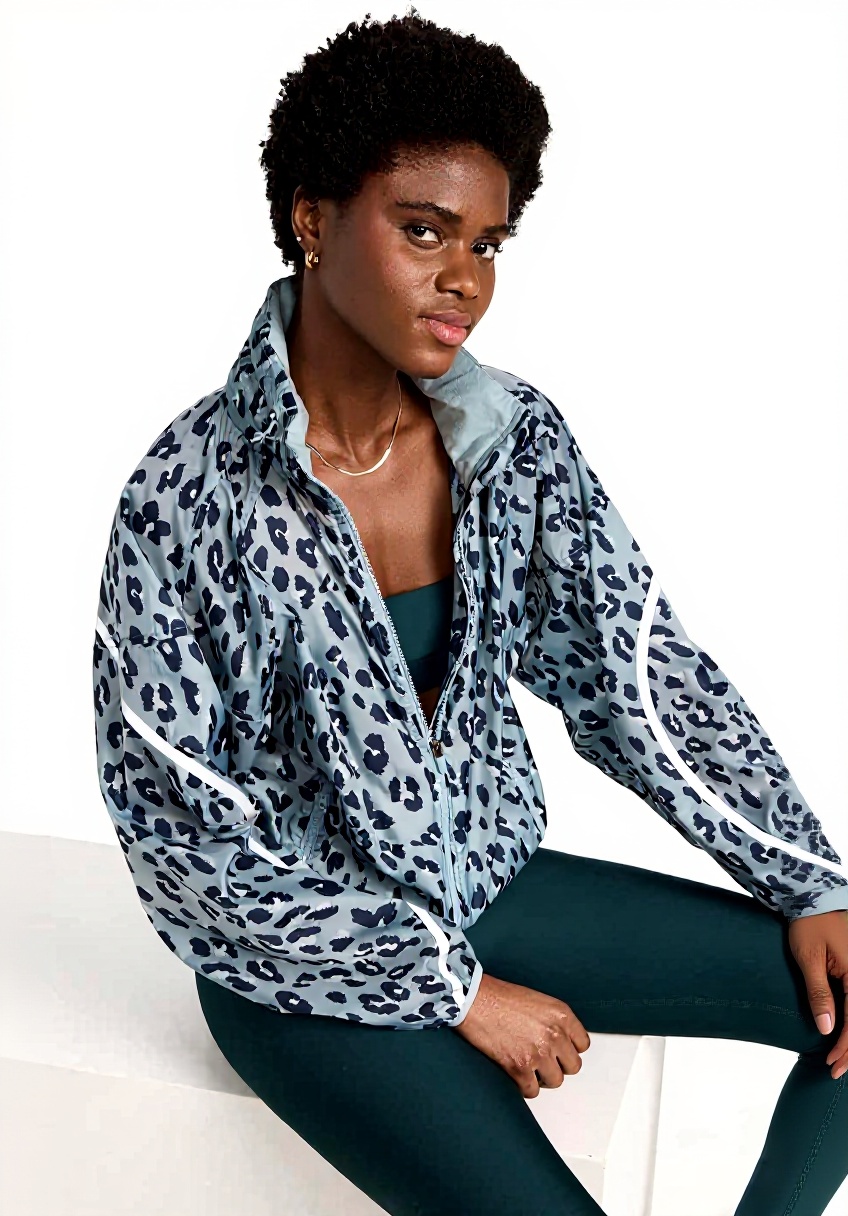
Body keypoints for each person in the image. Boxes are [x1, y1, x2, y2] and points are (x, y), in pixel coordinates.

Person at [92, 9, 848, 1214]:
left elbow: (634, 676)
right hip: (298, 970)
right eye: (423, 229)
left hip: (488, 879)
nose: (465, 279)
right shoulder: (185, 499)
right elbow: (182, 838)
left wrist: (805, 875)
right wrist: (454, 990)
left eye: (488, 243)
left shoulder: (514, 445)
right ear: (311, 217)